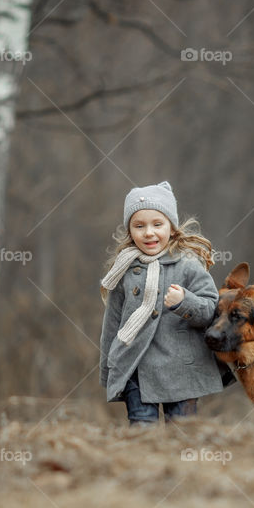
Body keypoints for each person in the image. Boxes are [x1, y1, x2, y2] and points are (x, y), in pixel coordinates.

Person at [99, 180, 224, 425]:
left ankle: (182, 464)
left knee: (183, 432)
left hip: (181, 370)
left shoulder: (187, 263)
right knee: (141, 431)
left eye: (158, 224)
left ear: (172, 227)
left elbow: (212, 310)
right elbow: (112, 322)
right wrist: (109, 369)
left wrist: (184, 302)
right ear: (129, 230)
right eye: (139, 226)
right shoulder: (124, 268)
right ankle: (143, 464)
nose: (149, 232)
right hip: (135, 366)